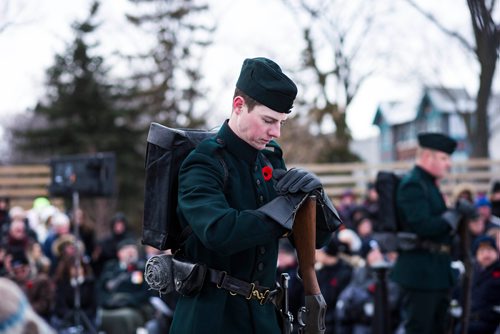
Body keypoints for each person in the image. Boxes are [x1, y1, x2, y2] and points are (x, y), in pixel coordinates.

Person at [169, 57, 342, 334]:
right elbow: (219, 231)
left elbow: (316, 239)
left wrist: (315, 201)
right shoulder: (204, 162)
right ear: (239, 105)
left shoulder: (271, 161)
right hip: (211, 317)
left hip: (264, 316)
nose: (276, 132)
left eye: (282, 122)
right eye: (268, 120)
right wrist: (285, 210)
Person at [389, 132, 476, 334]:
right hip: (421, 273)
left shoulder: (428, 184)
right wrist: (454, 214)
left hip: (436, 271)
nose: (448, 164)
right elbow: (424, 226)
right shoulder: (413, 184)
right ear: (428, 157)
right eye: (444, 158)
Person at [454, 235, 500, 334]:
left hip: (491, 324)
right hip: (467, 322)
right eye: (482, 251)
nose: (486, 255)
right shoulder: (468, 274)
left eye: (489, 250)